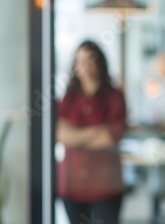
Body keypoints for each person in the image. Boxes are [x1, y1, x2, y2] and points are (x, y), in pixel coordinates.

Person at [56, 40, 127, 224]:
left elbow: (110, 137)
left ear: (99, 63)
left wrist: (77, 136)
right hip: (71, 186)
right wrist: (97, 131)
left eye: (89, 60)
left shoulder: (114, 96)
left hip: (105, 187)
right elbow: (62, 135)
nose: (83, 66)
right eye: (78, 61)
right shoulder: (68, 97)